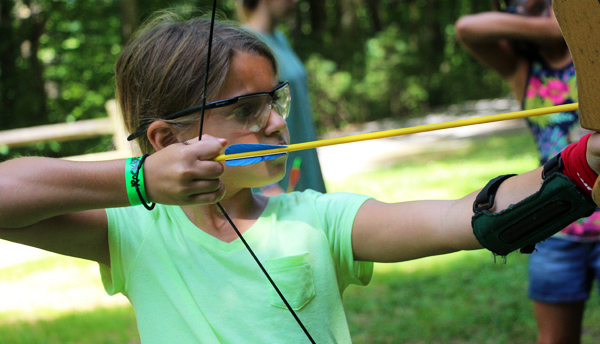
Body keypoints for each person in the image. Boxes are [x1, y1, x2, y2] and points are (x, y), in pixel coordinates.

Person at [0, 11, 599, 344]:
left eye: (276, 100)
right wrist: (137, 184)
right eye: (246, 109)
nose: (277, 122)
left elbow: (462, 217)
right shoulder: (134, 235)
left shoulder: (316, 220)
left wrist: (584, 164)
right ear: (167, 140)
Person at [455, 1, 600, 343]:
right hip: (556, 225)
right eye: (526, 9)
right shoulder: (524, 72)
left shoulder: (594, 56)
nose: (541, 13)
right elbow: (467, 28)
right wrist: (553, 26)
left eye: (549, 5)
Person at [236, 0, 327, 195]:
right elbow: (239, 118)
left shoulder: (279, 38)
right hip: (275, 183)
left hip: (303, 162)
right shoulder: (243, 44)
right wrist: (266, 186)